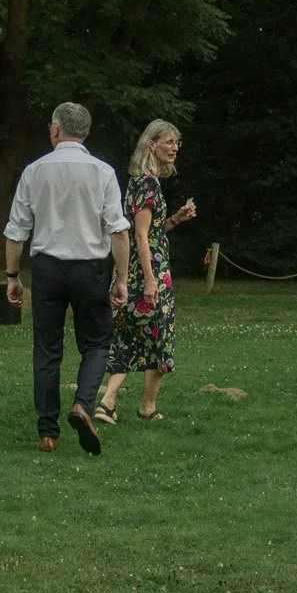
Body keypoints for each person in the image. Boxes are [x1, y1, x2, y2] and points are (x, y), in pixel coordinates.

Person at [4, 101, 130, 456]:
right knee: (97, 343)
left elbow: (16, 231)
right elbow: (118, 232)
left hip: (47, 268)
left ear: (55, 130)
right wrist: (121, 278)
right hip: (90, 267)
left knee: (46, 349)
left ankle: (48, 432)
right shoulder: (102, 172)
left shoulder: (34, 171)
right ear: (85, 133)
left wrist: (12, 276)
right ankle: (83, 405)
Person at [95, 120, 197, 425]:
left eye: (178, 142)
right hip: (148, 276)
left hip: (142, 271)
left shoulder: (142, 182)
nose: (174, 147)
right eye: (168, 142)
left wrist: (176, 219)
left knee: (135, 335)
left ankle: (121, 404)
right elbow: (140, 237)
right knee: (155, 337)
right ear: (152, 145)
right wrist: (151, 281)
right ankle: (127, 404)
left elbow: (151, 232)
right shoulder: (147, 184)